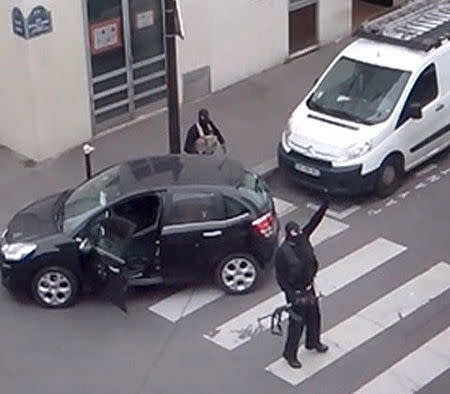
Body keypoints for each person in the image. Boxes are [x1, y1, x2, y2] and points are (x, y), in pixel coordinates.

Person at [274, 192, 331, 368]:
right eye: (295, 235)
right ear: (288, 237)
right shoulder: (282, 253)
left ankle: (313, 342)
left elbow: (314, 222)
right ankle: (289, 354)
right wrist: (292, 296)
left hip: (308, 288)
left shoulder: (303, 237)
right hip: (296, 293)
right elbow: (281, 279)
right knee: (297, 324)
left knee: (314, 317)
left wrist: (324, 206)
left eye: (299, 233)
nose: (298, 236)